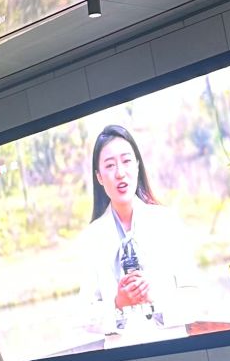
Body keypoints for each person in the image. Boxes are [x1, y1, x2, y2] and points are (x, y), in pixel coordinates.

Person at [75, 123, 197, 347]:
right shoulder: (92, 238)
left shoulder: (167, 222)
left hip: (173, 351)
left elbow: (196, 299)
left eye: (127, 161)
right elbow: (83, 316)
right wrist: (117, 303)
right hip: (121, 359)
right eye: (110, 165)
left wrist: (153, 297)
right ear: (99, 177)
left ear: (138, 165)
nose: (120, 173)